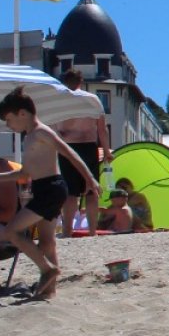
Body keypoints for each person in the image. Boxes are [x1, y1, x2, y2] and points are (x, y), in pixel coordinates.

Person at [0, 87, 101, 299]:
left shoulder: (41, 131)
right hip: (45, 188)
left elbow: (70, 153)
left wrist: (90, 178)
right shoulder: (29, 136)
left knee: (12, 231)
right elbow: (25, 172)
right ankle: (49, 290)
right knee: (47, 241)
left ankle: (47, 269)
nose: (9, 125)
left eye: (9, 120)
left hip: (51, 188)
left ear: (22, 113)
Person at [53, 70, 109, 237]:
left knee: (71, 192)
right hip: (88, 146)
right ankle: (92, 231)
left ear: (64, 81)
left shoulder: (59, 102)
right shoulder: (92, 99)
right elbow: (102, 129)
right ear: (81, 81)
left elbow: (53, 128)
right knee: (91, 190)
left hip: (67, 147)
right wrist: (106, 150)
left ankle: (67, 231)